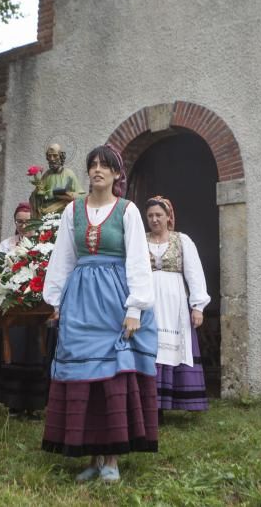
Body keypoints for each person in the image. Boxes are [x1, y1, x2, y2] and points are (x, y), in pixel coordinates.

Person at [41, 145, 158, 483]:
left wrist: (135, 307)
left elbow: (137, 258)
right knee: (83, 377)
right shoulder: (72, 211)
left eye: (105, 166)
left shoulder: (127, 210)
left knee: (113, 377)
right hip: (80, 299)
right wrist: (57, 302)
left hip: (115, 300)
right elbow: (63, 257)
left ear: (117, 174)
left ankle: (112, 460)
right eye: (92, 165)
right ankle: (92, 456)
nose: (97, 170)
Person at [145, 196, 211, 416]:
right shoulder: (139, 240)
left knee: (174, 348)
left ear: (168, 217)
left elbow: (194, 273)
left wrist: (198, 306)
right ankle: (153, 407)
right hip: (149, 303)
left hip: (175, 305)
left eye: (159, 215)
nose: (154, 220)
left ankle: (173, 402)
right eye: (151, 216)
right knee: (151, 348)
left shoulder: (182, 240)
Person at [0, 201, 52, 417]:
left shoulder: (41, 245)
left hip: (34, 307)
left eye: (27, 221)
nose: (23, 225)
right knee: (12, 351)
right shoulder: (6, 245)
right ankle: (13, 402)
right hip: (13, 306)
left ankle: (33, 404)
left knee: (35, 351)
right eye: (19, 221)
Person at [29, 143, 82, 219]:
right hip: (46, 216)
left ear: (61, 156)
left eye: (55, 155)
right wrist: (37, 194)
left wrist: (68, 195)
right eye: (49, 156)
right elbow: (37, 195)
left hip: (63, 216)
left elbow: (81, 195)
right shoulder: (46, 175)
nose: (52, 159)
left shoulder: (69, 174)